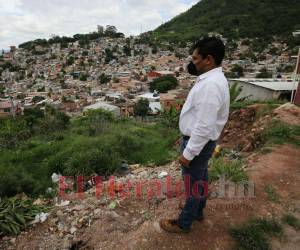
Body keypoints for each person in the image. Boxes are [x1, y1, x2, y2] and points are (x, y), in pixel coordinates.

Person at [160, 37, 230, 233]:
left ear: (208, 60)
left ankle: (184, 223)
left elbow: (204, 125)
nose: (193, 62)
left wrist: (188, 153)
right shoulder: (212, 80)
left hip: (197, 143)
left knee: (193, 185)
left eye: (195, 58)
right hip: (203, 143)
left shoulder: (211, 85)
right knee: (201, 179)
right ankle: (197, 210)